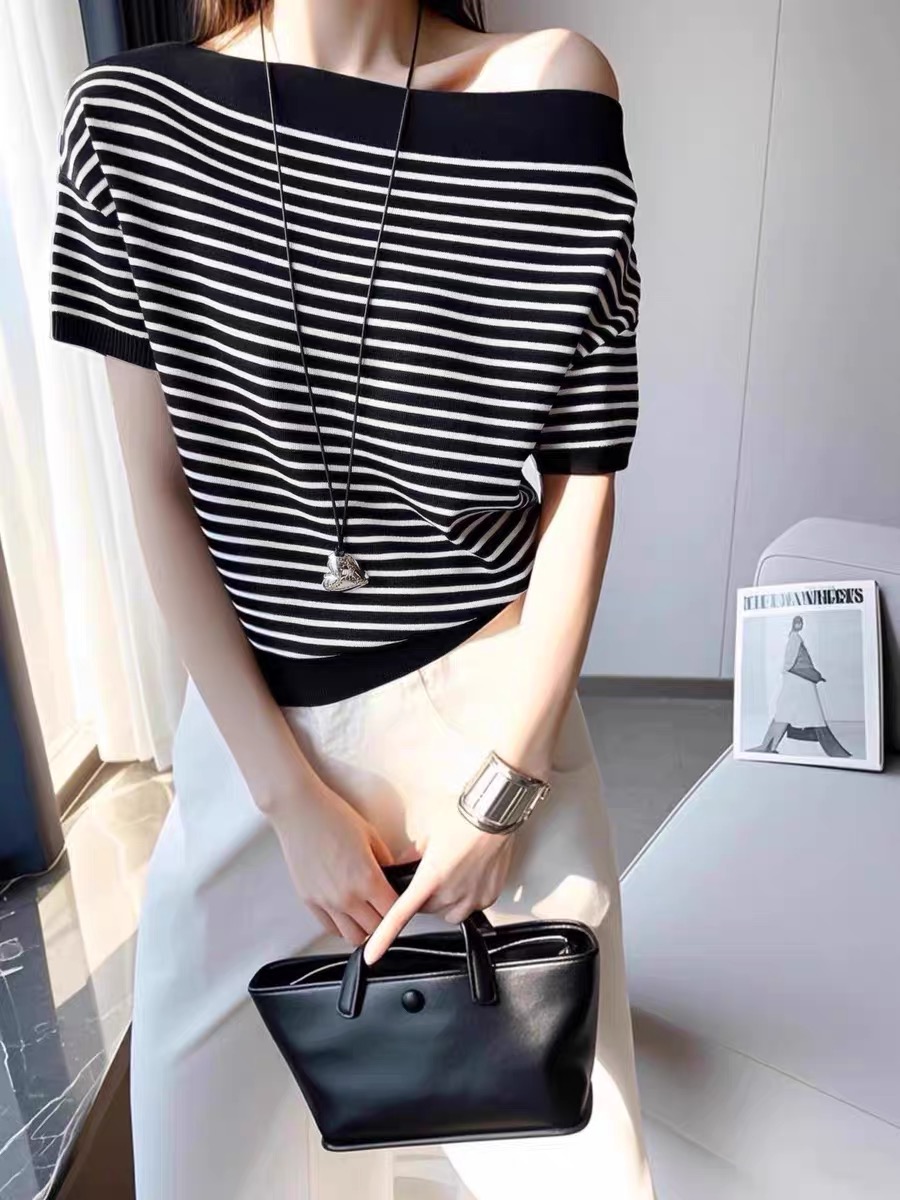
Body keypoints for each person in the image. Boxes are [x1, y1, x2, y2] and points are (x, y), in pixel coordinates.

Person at [49, 1, 653, 1195]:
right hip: (254, 753)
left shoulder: (551, 85)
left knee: (574, 1170)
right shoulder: (128, 119)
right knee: (198, 1170)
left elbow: (582, 479)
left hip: (492, 731)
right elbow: (158, 487)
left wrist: (505, 787)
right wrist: (287, 802)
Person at [752, 616, 852, 757]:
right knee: (788, 713)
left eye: (801, 623)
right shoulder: (795, 638)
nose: (800, 625)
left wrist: (809, 674)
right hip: (797, 679)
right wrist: (794, 671)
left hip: (798, 680)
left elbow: (795, 660)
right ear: (794, 624)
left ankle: (768, 746)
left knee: (786, 713)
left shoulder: (795, 638)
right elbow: (790, 659)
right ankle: (768, 746)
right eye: (798, 622)